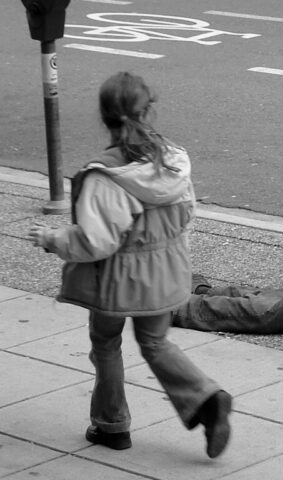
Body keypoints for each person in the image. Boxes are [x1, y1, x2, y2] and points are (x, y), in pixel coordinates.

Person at [28, 72, 231, 458]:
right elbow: (187, 214)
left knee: (106, 343)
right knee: (155, 342)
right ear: (148, 110)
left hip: (117, 280)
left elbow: (94, 242)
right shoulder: (172, 160)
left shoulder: (105, 175)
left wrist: (52, 239)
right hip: (167, 270)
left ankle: (112, 425)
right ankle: (207, 398)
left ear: (104, 117)